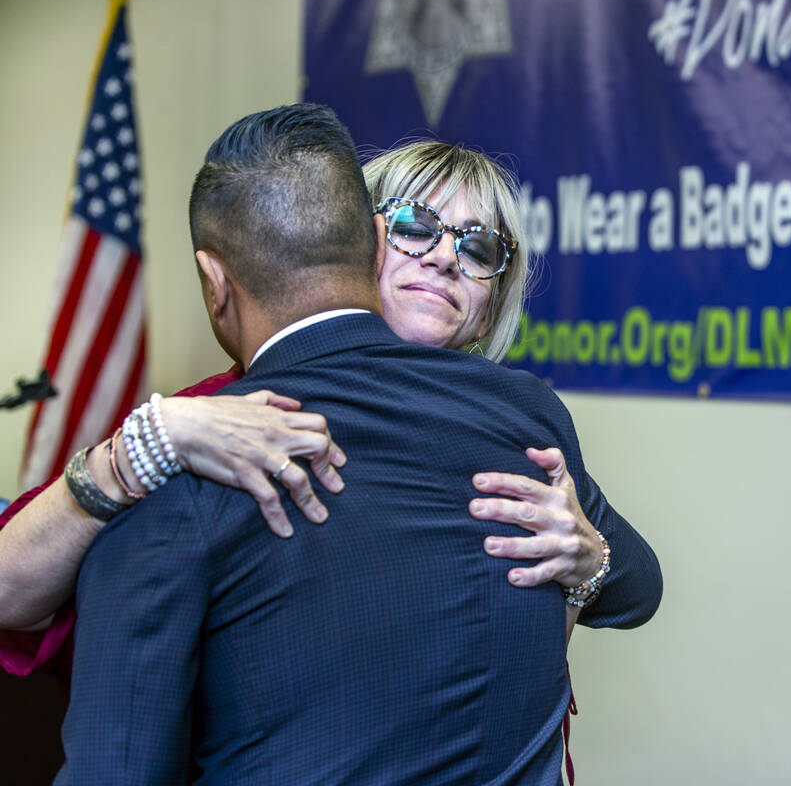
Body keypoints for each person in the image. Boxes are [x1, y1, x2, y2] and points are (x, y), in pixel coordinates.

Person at [54, 103, 657, 783]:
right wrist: (133, 454)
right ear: (353, 237)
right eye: (415, 227)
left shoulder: (520, 426)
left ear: (497, 295)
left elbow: (641, 584)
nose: (444, 258)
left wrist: (588, 558)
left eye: (478, 247)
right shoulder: (205, 429)